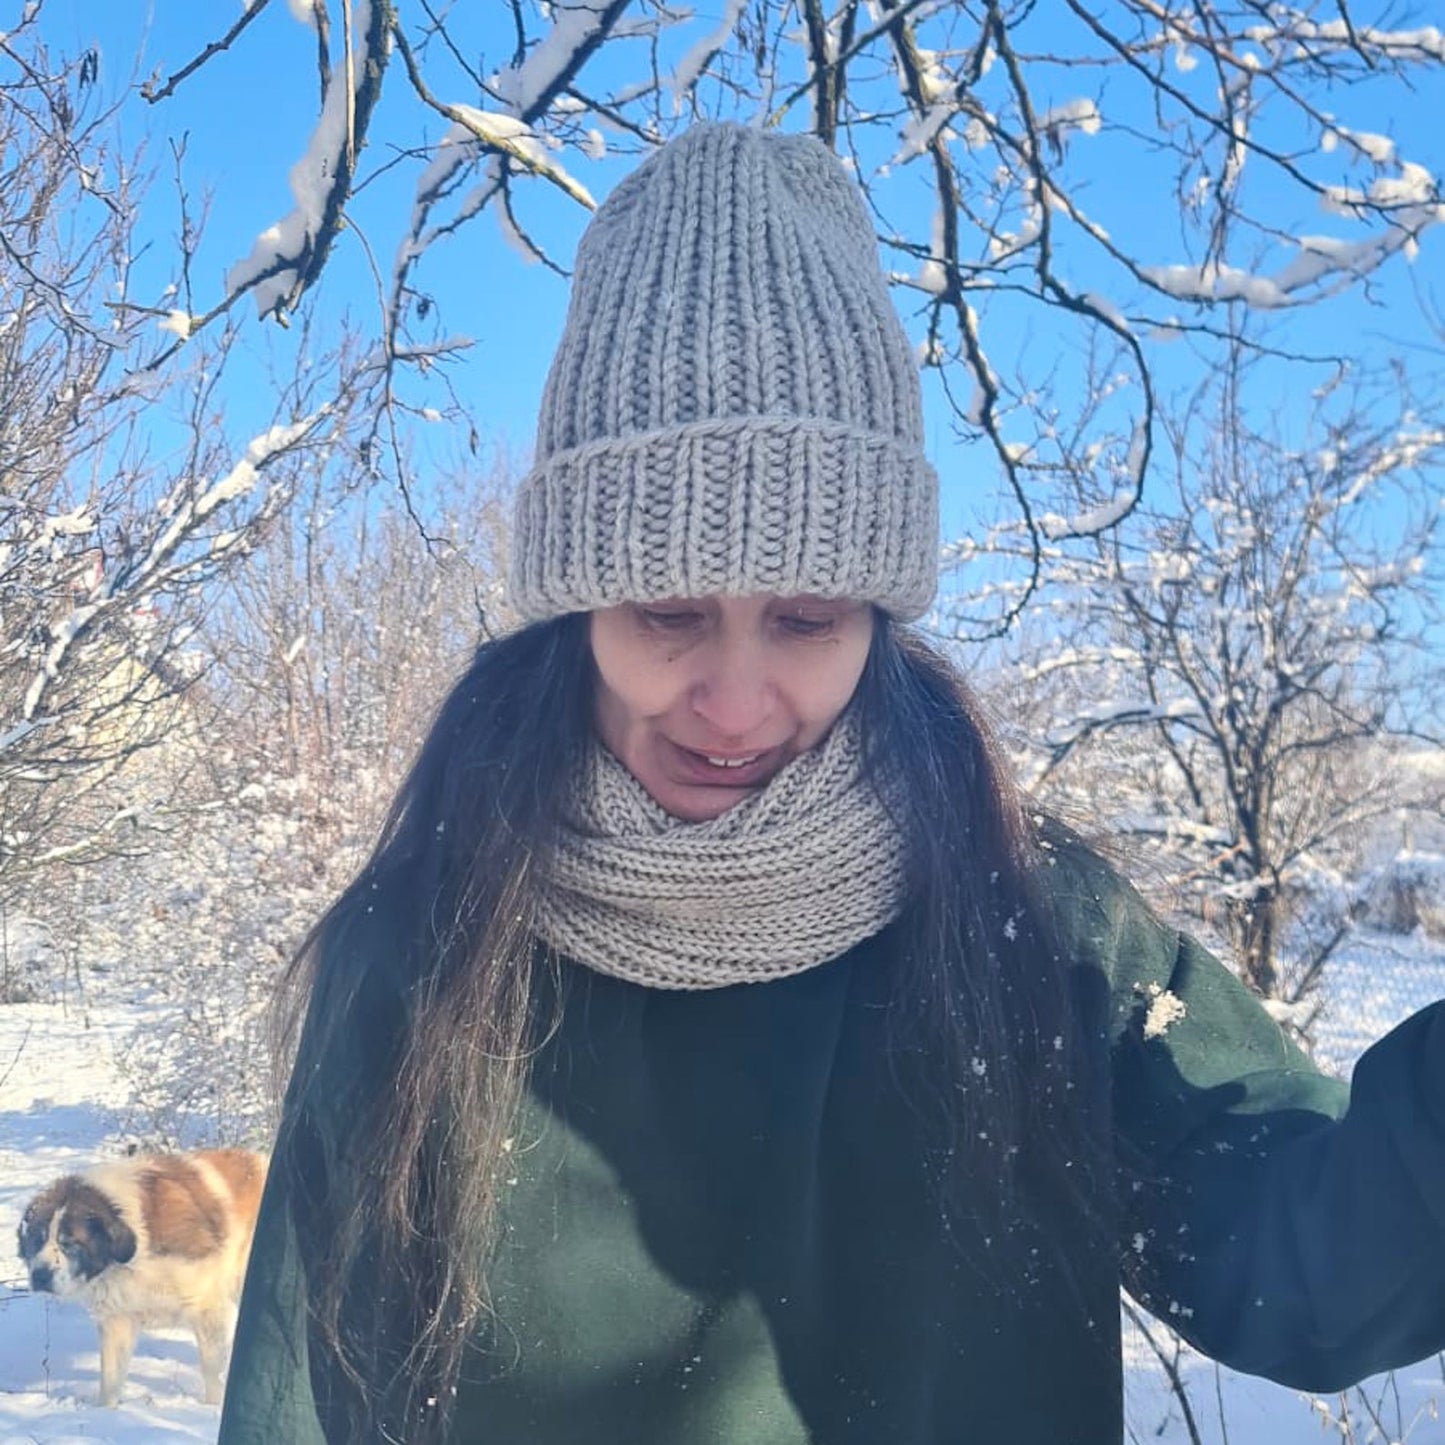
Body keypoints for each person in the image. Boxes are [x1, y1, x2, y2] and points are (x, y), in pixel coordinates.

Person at [217, 123, 1445, 1445]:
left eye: (805, 618)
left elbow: (1310, 1268)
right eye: (667, 612)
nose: (737, 703)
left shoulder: (1032, 922)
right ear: (573, 605)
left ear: (878, 611)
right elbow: (302, 1398)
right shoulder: (427, 948)